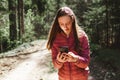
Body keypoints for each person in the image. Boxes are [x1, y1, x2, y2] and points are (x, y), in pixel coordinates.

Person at [46, 6, 90, 80]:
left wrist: (76, 59)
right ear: (58, 23)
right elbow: (56, 65)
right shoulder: (55, 39)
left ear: (72, 20)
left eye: (68, 23)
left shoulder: (82, 36)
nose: (65, 27)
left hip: (81, 78)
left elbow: (86, 63)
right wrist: (59, 61)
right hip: (63, 78)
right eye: (61, 24)